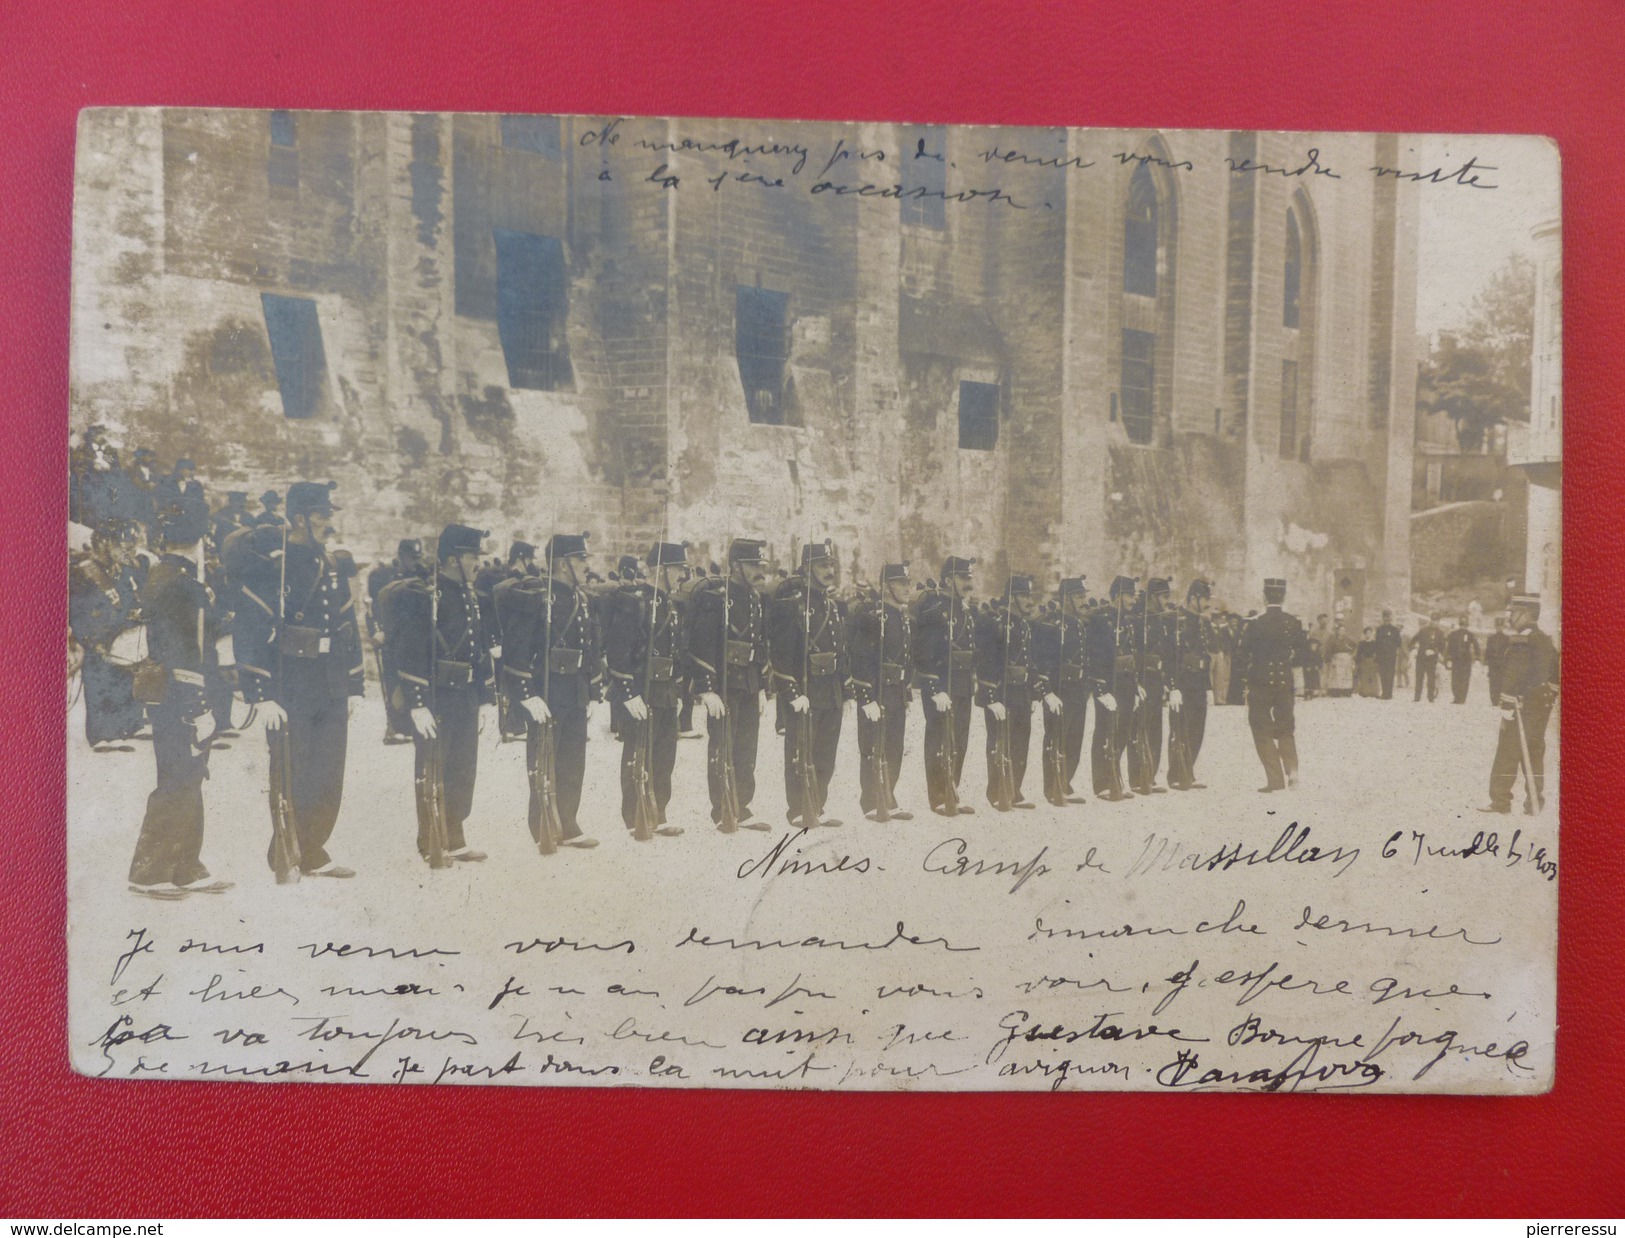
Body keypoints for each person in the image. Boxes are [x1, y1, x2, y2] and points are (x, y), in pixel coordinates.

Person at [231, 481, 364, 880]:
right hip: (292, 685)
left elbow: (347, 625)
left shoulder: (333, 564)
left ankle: (313, 849)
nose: (330, 524)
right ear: (302, 518)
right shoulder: (275, 565)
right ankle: (286, 850)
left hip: (330, 682)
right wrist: (261, 694)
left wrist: (354, 684)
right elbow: (252, 626)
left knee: (328, 771)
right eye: (324, 516)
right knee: (294, 768)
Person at [126, 496, 233, 899]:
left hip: (164, 694)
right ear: (199, 542)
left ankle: (186, 865)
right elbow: (189, 653)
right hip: (183, 697)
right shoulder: (187, 588)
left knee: (185, 775)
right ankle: (150, 873)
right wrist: (200, 708)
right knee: (180, 777)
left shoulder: (159, 579)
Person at [390, 523, 500, 864]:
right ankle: (431, 840)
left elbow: (478, 650)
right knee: (433, 768)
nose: (477, 563)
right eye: (471, 556)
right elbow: (410, 651)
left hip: (465, 694)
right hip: (437, 696)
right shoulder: (425, 595)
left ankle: (455, 835)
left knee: (463, 768)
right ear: (453, 559)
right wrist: (417, 704)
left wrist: (485, 698)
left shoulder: (470, 595)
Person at [506, 532, 603, 850]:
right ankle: (543, 824)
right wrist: (525, 693)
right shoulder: (537, 597)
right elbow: (517, 649)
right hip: (547, 691)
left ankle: (568, 822)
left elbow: (588, 648)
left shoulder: (581, 599)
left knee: (573, 758)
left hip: (573, 689)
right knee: (544, 758)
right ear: (563, 564)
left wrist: (590, 690)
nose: (587, 565)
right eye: (581, 559)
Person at [683, 538, 774, 832]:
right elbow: (701, 642)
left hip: (747, 682)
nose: (759, 570)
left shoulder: (755, 599)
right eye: (752, 565)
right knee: (723, 746)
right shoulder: (715, 597)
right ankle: (723, 809)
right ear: (736, 566)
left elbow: (759, 645)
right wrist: (706, 688)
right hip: (722, 685)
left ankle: (742, 806)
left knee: (747, 749)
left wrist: (760, 686)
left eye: (761, 564)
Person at [603, 542, 689, 839]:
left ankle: (659, 811)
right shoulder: (634, 601)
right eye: (678, 569)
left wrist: (676, 686)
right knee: (637, 751)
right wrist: (627, 692)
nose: (682, 575)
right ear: (662, 570)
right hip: (640, 688)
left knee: (665, 754)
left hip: (664, 690)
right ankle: (634, 815)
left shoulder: (670, 604)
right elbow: (618, 650)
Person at [768, 539, 849, 828]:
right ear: (807, 569)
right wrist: (791, 692)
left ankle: (818, 804)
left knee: (826, 752)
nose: (829, 570)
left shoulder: (834, 606)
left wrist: (846, 690)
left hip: (830, 690)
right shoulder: (791, 607)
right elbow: (780, 655)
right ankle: (799, 808)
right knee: (800, 751)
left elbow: (841, 650)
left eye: (831, 565)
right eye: (822, 565)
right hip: (805, 690)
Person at [69, 517, 147, 750]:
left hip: (117, 635)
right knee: (99, 681)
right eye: (124, 543)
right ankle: (101, 733)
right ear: (103, 542)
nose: (130, 549)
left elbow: (128, 601)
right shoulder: (82, 572)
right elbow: (75, 608)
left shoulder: (121, 571)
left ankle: (125, 726)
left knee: (123, 679)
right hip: (94, 637)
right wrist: (87, 637)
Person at [976, 574, 1050, 811]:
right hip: (1002, 691)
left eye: (1030, 595)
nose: (1029, 600)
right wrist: (990, 698)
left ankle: (1014, 789)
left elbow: (1030, 661)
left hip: (1021, 692)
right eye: (1024, 595)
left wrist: (1036, 692)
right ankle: (997, 792)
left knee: (1021, 742)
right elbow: (985, 661)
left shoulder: (1025, 625)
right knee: (999, 742)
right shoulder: (995, 623)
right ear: (1011, 598)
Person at [1480, 593, 1559, 815]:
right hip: (1538, 704)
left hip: (1521, 705)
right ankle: (1534, 802)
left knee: (1507, 749)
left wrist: (1508, 701)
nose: (1510, 617)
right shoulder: (1544, 639)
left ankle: (1500, 801)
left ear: (1525, 614)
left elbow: (1516, 673)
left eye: (1513, 613)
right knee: (1533, 751)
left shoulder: (1524, 639)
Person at [849, 562, 915, 820]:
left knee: (894, 746)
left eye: (908, 583)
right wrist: (866, 697)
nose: (907, 588)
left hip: (895, 691)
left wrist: (905, 690)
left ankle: (888, 795)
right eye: (901, 583)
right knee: (872, 746)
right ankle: (871, 801)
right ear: (887, 587)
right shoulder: (874, 618)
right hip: (876, 692)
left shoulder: (902, 618)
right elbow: (861, 658)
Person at [1236, 577, 1308, 793]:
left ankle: (1275, 778)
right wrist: (1289, 659)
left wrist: (1245, 677)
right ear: (1283, 596)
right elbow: (1304, 653)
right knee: (1286, 727)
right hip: (1284, 680)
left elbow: (1242, 654)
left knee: (1260, 727)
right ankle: (1292, 770)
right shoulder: (1293, 622)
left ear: (1264, 596)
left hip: (1260, 682)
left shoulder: (1255, 623)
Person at [1033, 576, 1091, 805]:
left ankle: (1065, 782)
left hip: (1078, 688)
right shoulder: (1050, 624)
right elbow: (1042, 660)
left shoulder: (1079, 624)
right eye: (1079, 597)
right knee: (1056, 737)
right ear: (1066, 598)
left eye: (1084, 596)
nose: (1084, 601)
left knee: (1075, 738)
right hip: (1059, 688)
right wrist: (1046, 691)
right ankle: (1052, 787)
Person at [1086, 575, 1140, 800]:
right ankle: (1102, 784)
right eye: (1130, 595)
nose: (1134, 599)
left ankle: (1115, 778)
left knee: (1123, 732)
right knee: (1105, 732)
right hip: (1109, 684)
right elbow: (1095, 656)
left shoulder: (1127, 619)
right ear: (1118, 596)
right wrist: (1100, 689)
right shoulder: (1100, 620)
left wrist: (1136, 687)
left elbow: (1131, 654)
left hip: (1126, 683)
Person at [371, 539, 428, 745]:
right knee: (393, 682)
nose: (414, 562)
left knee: (412, 680)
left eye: (417, 558)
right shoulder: (383, 576)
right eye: (411, 558)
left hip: (412, 638)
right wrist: (377, 631)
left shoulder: (423, 575)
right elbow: (375, 608)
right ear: (401, 556)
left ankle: (410, 725)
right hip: (392, 637)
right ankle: (394, 726)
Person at [1166, 578, 1215, 790]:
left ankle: (1188, 773)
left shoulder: (1203, 622)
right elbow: (1171, 655)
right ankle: (1176, 774)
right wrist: (1173, 686)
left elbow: (1205, 657)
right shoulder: (1178, 620)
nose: (1207, 603)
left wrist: (1209, 687)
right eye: (1205, 598)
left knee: (1198, 729)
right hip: (1183, 683)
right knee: (1180, 728)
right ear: (1193, 598)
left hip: (1198, 683)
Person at [1126, 577, 1174, 795]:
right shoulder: (1137, 618)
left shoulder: (1159, 620)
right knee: (1139, 727)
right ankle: (1137, 778)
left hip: (1155, 679)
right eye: (1164, 597)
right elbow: (1131, 651)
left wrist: (1165, 681)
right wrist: (1135, 682)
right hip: (1142, 680)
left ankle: (1150, 776)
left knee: (1155, 729)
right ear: (1154, 597)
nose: (1167, 601)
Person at [491, 540, 539, 741]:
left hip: (509, 639)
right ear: (520, 558)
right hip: (510, 638)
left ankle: (512, 725)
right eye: (528, 559)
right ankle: (511, 726)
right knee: (510, 682)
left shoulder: (506, 582)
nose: (531, 563)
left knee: (511, 681)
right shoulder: (510, 584)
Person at [1446, 615, 1481, 704]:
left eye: (1464, 625)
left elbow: (1476, 645)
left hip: (1466, 660)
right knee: (1455, 680)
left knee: (1464, 680)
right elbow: (1449, 646)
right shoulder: (1453, 634)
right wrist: (1448, 658)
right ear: (1460, 624)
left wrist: (1477, 657)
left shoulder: (1469, 634)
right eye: (1462, 625)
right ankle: (1456, 697)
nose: (1463, 627)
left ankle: (1462, 698)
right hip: (1456, 660)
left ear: (1466, 625)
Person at [1413, 614, 1445, 702]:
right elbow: (1414, 640)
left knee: (1431, 678)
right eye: (1433, 620)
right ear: (1431, 620)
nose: (1435, 622)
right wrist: (1415, 648)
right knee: (1419, 677)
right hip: (1421, 657)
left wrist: (1435, 651)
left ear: (1438, 622)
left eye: (1437, 620)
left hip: (1432, 658)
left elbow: (1442, 647)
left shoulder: (1440, 633)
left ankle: (1430, 697)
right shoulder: (1423, 630)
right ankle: (1417, 697)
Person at [1374, 610, 1404, 699]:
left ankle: (1389, 693)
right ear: (1383, 618)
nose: (1387, 619)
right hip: (1381, 656)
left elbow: (1399, 642)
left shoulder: (1395, 630)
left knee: (1390, 674)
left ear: (1391, 618)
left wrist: (1392, 647)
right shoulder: (1379, 629)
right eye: (1385, 617)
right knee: (1382, 674)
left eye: (1388, 617)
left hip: (1391, 656)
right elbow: (1377, 643)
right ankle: (1384, 693)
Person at [1323, 622, 1356, 696]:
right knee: (1337, 675)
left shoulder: (1347, 640)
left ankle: (1346, 691)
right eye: (1340, 630)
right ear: (1337, 631)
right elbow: (1329, 649)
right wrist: (1331, 658)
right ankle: (1336, 691)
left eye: (1343, 630)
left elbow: (1355, 646)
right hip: (1336, 659)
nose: (1342, 632)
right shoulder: (1333, 639)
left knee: (1346, 675)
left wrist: (1352, 655)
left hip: (1346, 659)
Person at [1485, 616, 1511, 705]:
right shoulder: (1491, 638)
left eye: (1500, 626)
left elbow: (1508, 652)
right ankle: (1494, 700)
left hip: (1501, 664)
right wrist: (1486, 660)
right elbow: (1488, 650)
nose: (1499, 628)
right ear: (1495, 627)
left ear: (1503, 627)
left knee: (1500, 681)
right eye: (1497, 626)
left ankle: (1499, 699)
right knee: (1492, 682)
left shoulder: (1507, 639)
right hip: (1493, 664)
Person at [1356, 627, 1381, 697]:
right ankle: (1365, 692)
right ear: (1364, 634)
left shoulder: (1374, 643)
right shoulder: (1361, 643)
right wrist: (1358, 662)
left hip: (1372, 661)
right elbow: (1359, 653)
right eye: (1367, 633)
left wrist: (1377, 662)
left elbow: (1378, 653)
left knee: (1373, 676)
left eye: (1370, 633)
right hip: (1364, 661)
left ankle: (1374, 692)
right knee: (1364, 676)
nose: (1368, 635)